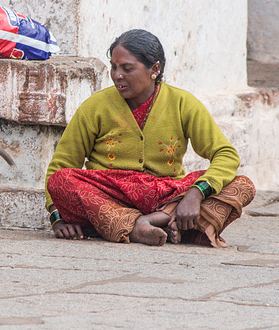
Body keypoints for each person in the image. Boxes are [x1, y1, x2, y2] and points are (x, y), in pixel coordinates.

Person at [45, 29, 255, 247]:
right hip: (111, 197)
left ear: (155, 69)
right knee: (61, 180)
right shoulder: (95, 107)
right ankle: (152, 226)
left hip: (167, 195)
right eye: (114, 67)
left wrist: (196, 193)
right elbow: (61, 166)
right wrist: (57, 217)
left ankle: (150, 221)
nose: (117, 75)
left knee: (242, 185)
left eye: (127, 68)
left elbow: (226, 154)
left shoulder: (183, 103)